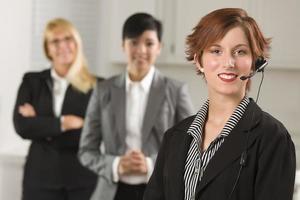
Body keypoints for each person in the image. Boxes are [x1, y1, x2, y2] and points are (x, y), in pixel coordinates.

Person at [143, 8, 296, 200]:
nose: (229, 62)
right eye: (216, 51)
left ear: (255, 63)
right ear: (199, 60)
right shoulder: (174, 137)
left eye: (240, 52)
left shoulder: (273, 138)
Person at [78, 13, 194, 200]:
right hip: (111, 193)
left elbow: (192, 148)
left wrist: (150, 164)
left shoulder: (176, 90)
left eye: (149, 43)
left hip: (159, 191)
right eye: (134, 42)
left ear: (159, 47)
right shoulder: (102, 91)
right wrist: (116, 165)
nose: (141, 50)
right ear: (123, 45)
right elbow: (86, 151)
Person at [13, 18, 100, 200]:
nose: (62, 46)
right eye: (55, 41)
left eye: (68, 39)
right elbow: (22, 126)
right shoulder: (32, 81)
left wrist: (41, 125)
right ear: (47, 48)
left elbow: (95, 133)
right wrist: (65, 123)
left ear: (77, 43)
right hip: (39, 180)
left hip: (82, 181)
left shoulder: (98, 86)